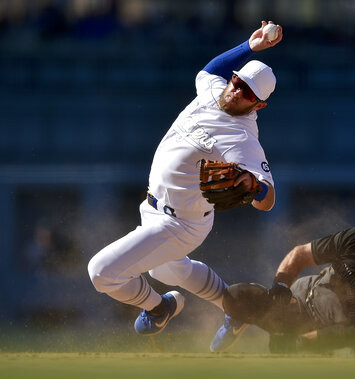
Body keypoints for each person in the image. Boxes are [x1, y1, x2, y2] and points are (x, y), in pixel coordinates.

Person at [87, 21, 283, 337]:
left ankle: (159, 307)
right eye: (238, 81)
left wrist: (254, 186)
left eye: (247, 92)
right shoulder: (215, 92)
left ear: (259, 104)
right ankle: (235, 308)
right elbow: (209, 70)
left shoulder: (241, 137)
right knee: (166, 269)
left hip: (180, 224)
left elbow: (268, 199)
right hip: (153, 209)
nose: (236, 91)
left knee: (101, 273)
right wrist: (249, 46)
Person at [211, 209, 355, 353]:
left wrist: (298, 341)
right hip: (299, 300)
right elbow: (302, 253)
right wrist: (282, 285)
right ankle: (238, 319)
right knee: (237, 296)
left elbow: (351, 335)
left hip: (328, 338)